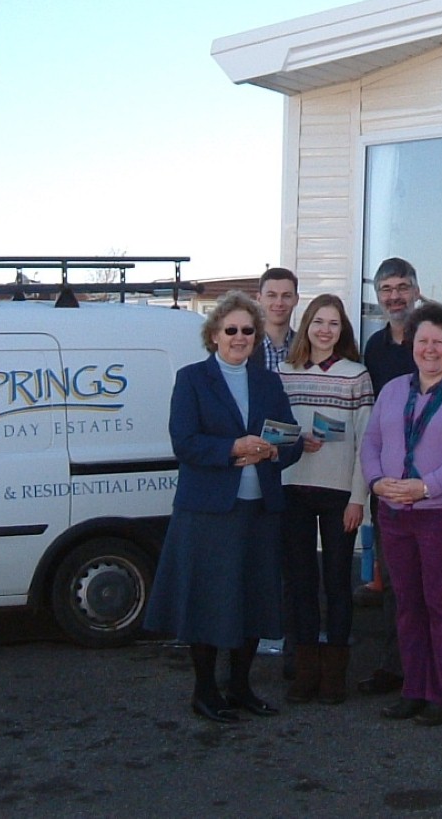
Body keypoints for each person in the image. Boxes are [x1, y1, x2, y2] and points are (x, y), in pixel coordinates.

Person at [144, 291, 303, 723]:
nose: (239, 337)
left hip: (260, 509)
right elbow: (184, 442)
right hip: (210, 511)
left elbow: (291, 441)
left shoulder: (269, 382)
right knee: (210, 602)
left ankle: (240, 686)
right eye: (230, 330)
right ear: (214, 335)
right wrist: (232, 447)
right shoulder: (193, 379)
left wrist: (273, 453)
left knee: (254, 600)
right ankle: (204, 690)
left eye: (247, 330)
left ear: (255, 337)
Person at [360, 303, 442, 726]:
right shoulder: (394, 390)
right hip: (395, 511)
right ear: (412, 346)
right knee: (406, 603)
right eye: (423, 341)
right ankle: (413, 689)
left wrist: (426, 486)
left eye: (439, 341)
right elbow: (371, 442)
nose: (430, 349)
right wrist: (377, 482)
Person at [278, 294, 375, 705]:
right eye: (319, 321)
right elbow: (270, 433)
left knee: (337, 582)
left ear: (343, 330)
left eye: (333, 323)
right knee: (301, 583)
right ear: (306, 326)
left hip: (339, 495)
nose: (325, 330)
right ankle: (305, 672)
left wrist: (358, 499)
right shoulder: (284, 373)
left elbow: (366, 444)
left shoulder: (357, 375)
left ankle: (335, 674)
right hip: (293, 489)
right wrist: (296, 440)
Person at [251, 267, 300, 372]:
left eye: (286, 296)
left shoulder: (305, 347)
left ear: (296, 299)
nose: (279, 303)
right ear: (259, 298)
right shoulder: (245, 344)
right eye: (271, 295)